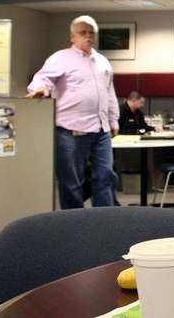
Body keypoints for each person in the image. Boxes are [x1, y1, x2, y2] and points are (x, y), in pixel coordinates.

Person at [27, 15, 119, 209]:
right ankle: (73, 223)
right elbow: (43, 79)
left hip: (100, 130)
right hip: (70, 130)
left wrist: (114, 120)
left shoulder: (102, 61)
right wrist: (41, 89)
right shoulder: (61, 58)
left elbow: (109, 92)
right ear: (72, 37)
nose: (88, 36)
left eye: (91, 33)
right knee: (71, 182)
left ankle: (106, 221)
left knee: (105, 176)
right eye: (83, 33)